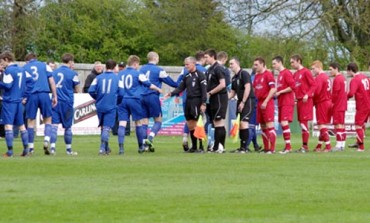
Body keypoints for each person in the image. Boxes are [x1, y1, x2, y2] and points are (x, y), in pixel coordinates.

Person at [117, 55, 162, 154]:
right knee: (138, 123)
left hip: (122, 100)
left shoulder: (120, 74)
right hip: (134, 100)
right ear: (135, 63)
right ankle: (141, 146)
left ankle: (121, 148)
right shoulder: (138, 73)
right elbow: (148, 84)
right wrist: (158, 89)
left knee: (122, 124)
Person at [165, 57, 207, 153]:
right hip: (188, 101)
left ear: (193, 63)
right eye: (185, 64)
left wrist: (203, 103)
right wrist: (171, 94)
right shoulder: (186, 76)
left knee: (197, 124)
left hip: (197, 101)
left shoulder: (200, 75)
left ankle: (200, 146)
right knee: (190, 124)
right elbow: (180, 88)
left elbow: (204, 91)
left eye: (187, 64)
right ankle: (194, 147)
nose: (186, 66)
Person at [139, 51, 178, 151]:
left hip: (141, 97)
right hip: (152, 96)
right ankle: (150, 137)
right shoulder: (158, 70)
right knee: (158, 120)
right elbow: (171, 83)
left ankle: (144, 145)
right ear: (156, 58)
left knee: (144, 121)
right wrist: (181, 84)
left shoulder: (141, 69)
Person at [23, 53, 57, 155]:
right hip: (44, 94)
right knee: (48, 118)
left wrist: (23, 96)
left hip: (31, 95)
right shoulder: (45, 66)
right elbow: (51, 81)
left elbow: (23, 84)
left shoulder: (24, 68)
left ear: (27, 60)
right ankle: (46, 140)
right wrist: (55, 95)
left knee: (30, 121)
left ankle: (31, 147)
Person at [49, 53, 80, 156]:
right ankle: (68, 150)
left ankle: (52, 148)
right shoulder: (73, 74)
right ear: (70, 62)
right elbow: (77, 89)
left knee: (54, 125)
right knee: (68, 127)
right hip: (67, 102)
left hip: (55, 101)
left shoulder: (54, 72)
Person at [0, 52, 29, 157]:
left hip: (9, 101)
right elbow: (28, 82)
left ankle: (10, 151)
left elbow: (7, 85)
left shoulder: (9, 70)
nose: (1, 63)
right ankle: (26, 150)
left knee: (8, 126)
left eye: (2, 61)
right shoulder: (21, 69)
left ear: (6, 59)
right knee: (22, 126)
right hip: (19, 101)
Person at [88, 59, 119, 155]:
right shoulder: (117, 78)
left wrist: (98, 98)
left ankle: (106, 148)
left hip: (100, 105)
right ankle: (102, 148)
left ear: (105, 67)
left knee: (102, 127)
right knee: (106, 128)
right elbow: (122, 93)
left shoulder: (98, 78)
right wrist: (117, 101)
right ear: (114, 67)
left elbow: (90, 90)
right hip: (111, 105)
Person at [228, 57, 255, 153]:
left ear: (237, 64)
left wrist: (243, 102)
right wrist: (225, 98)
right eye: (229, 64)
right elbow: (232, 92)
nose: (230, 66)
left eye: (232, 63)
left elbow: (248, 88)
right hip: (239, 101)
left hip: (248, 101)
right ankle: (242, 147)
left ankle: (245, 148)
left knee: (244, 123)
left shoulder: (244, 74)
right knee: (240, 124)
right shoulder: (234, 78)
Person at [290, 54, 316, 153]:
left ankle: (305, 146)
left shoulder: (306, 72)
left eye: (293, 62)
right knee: (301, 122)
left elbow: (313, 85)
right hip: (299, 100)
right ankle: (304, 146)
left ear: (299, 61)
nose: (291, 64)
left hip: (305, 100)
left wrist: (307, 95)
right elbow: (294, 87)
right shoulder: (295, 74)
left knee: (304, 123)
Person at [204, 49, 228, 153]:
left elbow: (222, 84)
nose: (205, 59)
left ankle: (218, 147)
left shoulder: (218, 68)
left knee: (219, 123)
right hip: (212, 100)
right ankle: (217, 146)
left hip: (219, 98)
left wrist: (210, 93)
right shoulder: (209, 69)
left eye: (207, 57)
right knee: (215, 123)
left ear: (212, 57)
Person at [253, 57, 277, 154]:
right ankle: (266, 148)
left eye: (256, 65)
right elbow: (254, 88)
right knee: (262, 125)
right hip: (259, 102)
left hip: (267, 102)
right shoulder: (257, 76)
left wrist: (266, 101)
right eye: (254, 65)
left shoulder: (268, 75)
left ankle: (272, 148)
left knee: (269, 124)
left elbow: (273, 89)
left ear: (262, 64)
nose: (255, 67)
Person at [272, 56, 295, 154]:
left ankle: (288, 147)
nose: (273, 66)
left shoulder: (286, 73)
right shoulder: (280, 74)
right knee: (282, 123)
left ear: (280, 62)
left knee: (284, 122)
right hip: (281, 101)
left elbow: (292, 86)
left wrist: (280, 92)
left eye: (274, 63)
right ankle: (287, 146)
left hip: (287, 102)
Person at [347, 62, 370, 152]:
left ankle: (361, 147)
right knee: (362, 124)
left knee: (357, 125)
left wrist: (346, 97)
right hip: (368, 104)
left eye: (347, 70)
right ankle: (358, 142)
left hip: (362, 105)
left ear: (350, 70)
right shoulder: (365, 77)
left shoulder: (355, 79)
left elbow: (351, 93)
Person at [311, 60, 332, 152]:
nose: (312, 71)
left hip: (322, 102)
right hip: (328, 101)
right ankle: (319, 145)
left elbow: (317, 91)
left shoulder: (319, 77)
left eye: (313, 68)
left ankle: (328, 146)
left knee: (321, 125)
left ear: (318, 67)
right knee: (322, 124)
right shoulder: (327, 77)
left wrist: (310, 98)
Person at [329, 62, 347, 151]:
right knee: (342, 125)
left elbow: (335, 94)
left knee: (338, 125)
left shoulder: (337, 79)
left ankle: (339, 145)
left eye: (331, 69)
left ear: (336, 68)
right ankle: (342, 145)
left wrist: (332, 102)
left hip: (338, 105)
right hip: (343, 105)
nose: (330, 71)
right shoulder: (343, 78)